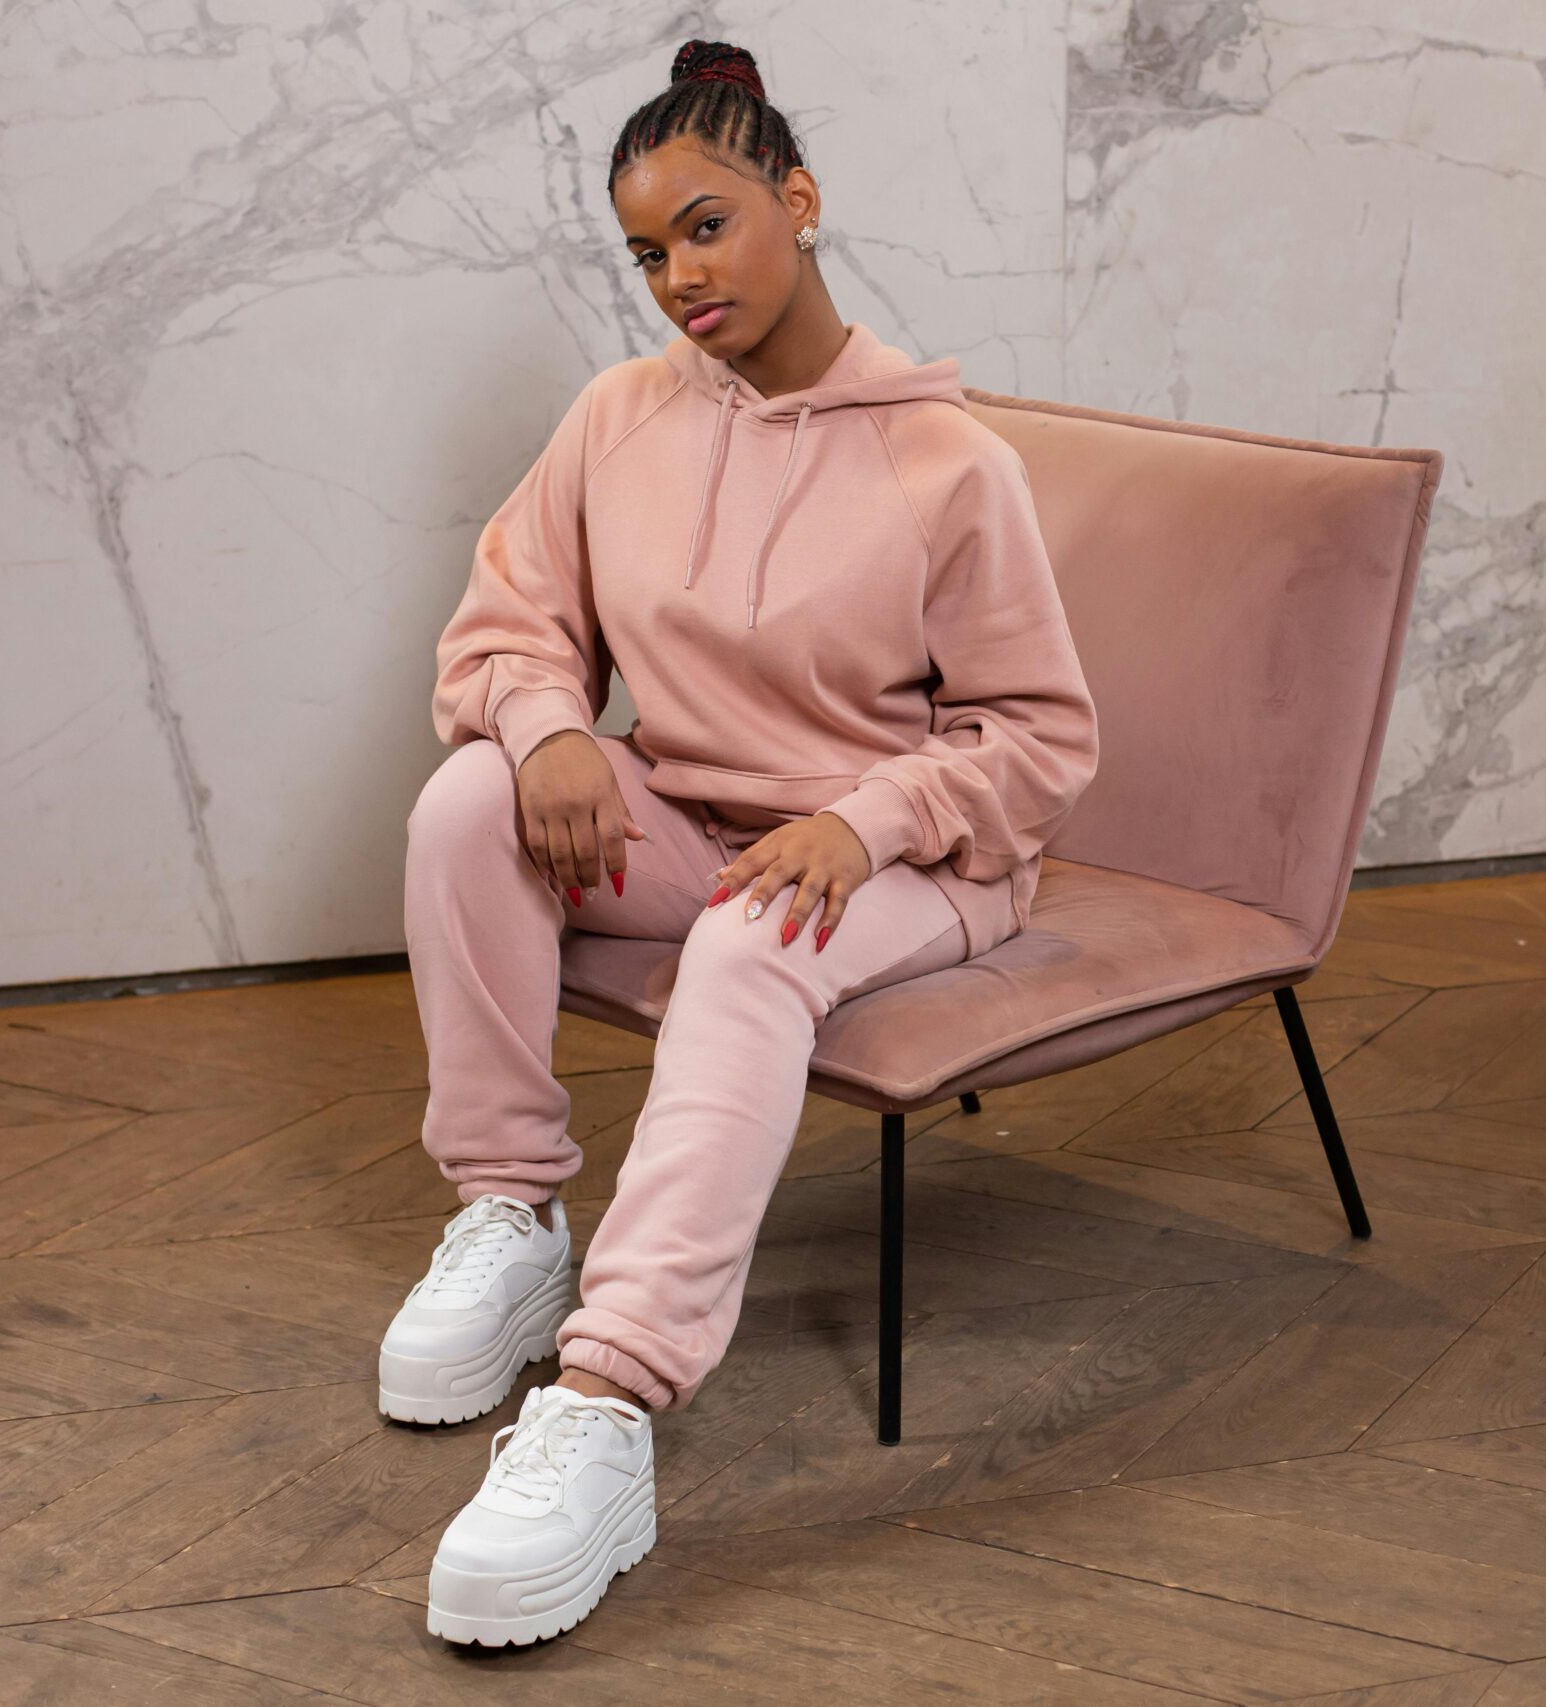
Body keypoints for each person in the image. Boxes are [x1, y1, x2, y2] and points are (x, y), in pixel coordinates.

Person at [387, 37, 1100, 1647]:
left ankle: (611, 1400)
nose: (676, 279)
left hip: (902, 863)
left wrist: (868, 819)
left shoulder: (948, 464)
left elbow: (1043, 742)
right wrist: (552, 729)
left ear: (800, 196)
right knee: (466, 804)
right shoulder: (618, 419)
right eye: (646, 251)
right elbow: (504, 629)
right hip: (691, 820)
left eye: (706, 226)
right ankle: (512, 1213)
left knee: (753, 936)